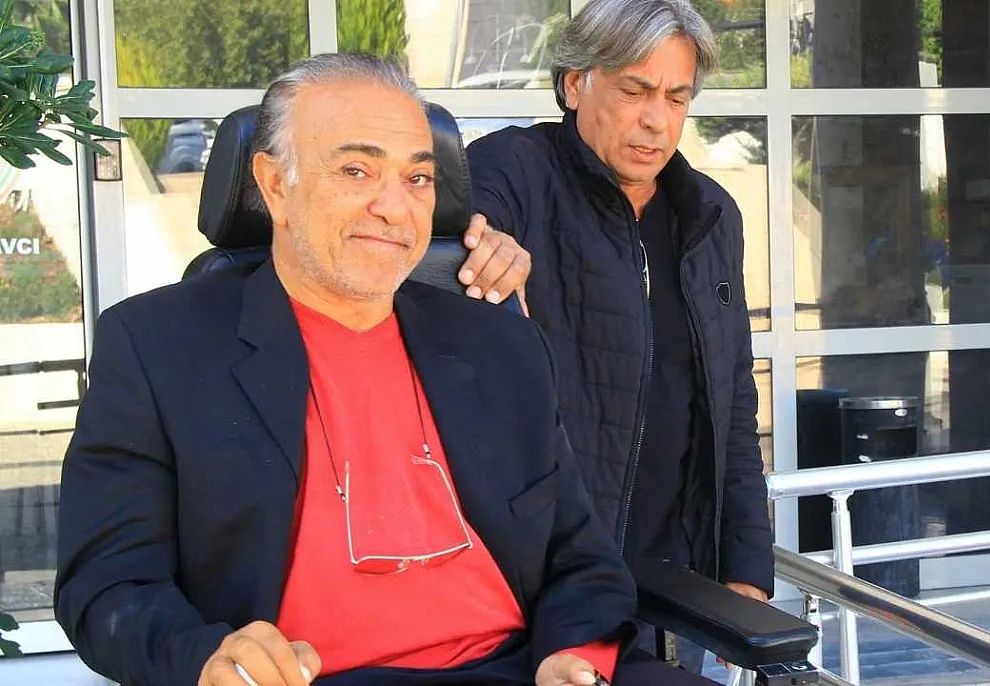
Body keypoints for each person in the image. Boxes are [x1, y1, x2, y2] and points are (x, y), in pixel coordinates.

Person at [53, 53, 717, 686]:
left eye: (418, 178)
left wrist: (574, 652)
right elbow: (107, 585)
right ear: (274, 184)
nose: (396, 208)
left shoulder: (500, 345)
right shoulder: (158, 347)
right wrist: (204, 659)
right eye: (356, 171)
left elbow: (579, 554)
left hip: (524, 667)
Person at [465, 0, 774, 672]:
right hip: (546, 590)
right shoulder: (516, 167)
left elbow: (731, 406)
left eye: (676, 97)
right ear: (576, 83)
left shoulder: (710, 214)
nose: (657, 120)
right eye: (635, 90)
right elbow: (456, 224)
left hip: (672, 583)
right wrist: (484, 238)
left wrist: (744, 567)